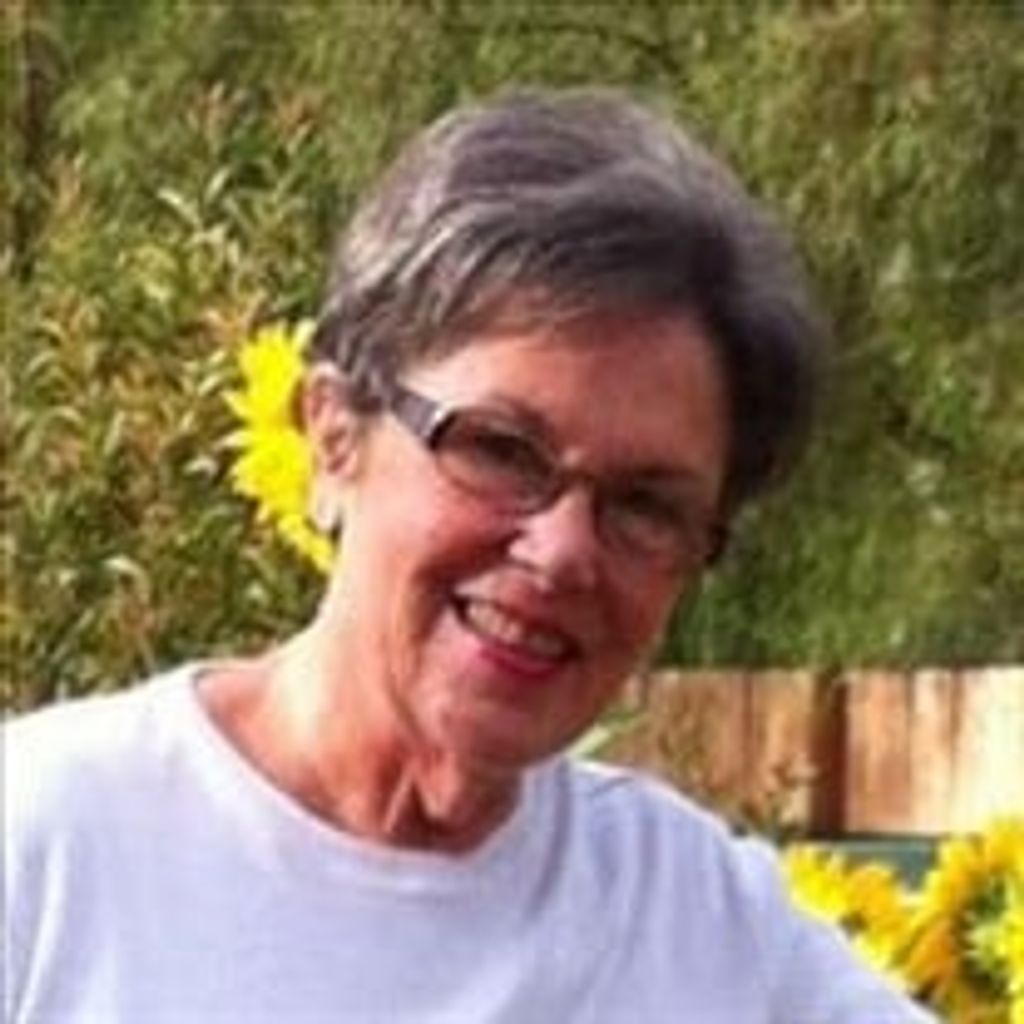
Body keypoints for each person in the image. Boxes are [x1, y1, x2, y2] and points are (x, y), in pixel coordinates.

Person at [4, 88, 934, 1023]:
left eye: (646, 507)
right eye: (500, 450)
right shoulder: (48, 855)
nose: (562, 551)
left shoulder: (699, 928)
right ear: (333, 435)